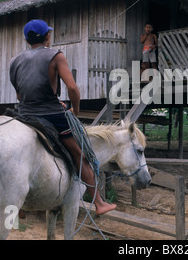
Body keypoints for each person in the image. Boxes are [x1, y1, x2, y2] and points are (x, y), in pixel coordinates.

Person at [9, 19, 116, 215]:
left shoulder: (14, 61)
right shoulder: (56, 56)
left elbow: (19, 95)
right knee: (80, 154)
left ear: (26, 40)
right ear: (47, 36)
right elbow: (72, 88)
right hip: (51, 116)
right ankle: (100, 203)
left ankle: (18, 208)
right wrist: (75, 109)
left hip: (23, 115)